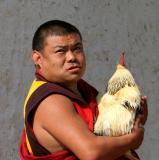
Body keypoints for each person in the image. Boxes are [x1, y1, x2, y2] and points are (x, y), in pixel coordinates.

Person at [19, 20, 148, 160]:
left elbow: (108, 138)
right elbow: (91, 152)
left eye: (77, 49)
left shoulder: (82, 89)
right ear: (38, 58)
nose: (72, 57)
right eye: (60, 51)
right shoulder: (51, 101)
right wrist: (132, 139)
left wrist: (134, 121)